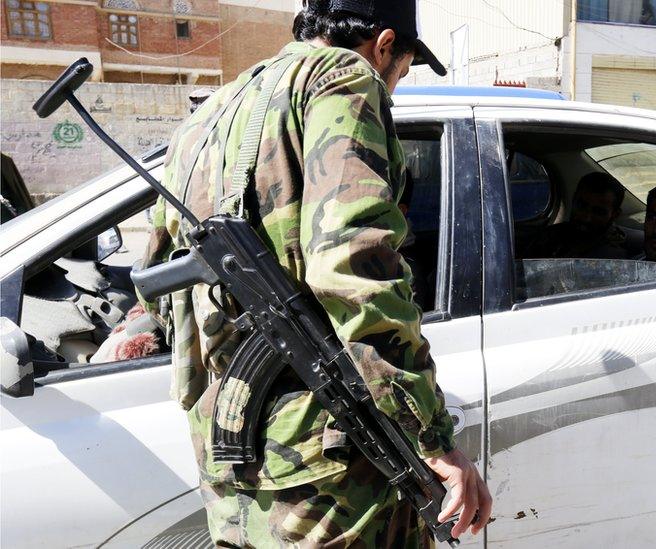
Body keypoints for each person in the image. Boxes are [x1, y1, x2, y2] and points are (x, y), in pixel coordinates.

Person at [142, 1, 491, 546]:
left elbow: (160, 273)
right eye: (401, 70)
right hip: (322, 460)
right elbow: (356, 266)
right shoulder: (344, 80)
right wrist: (432, 436)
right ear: (384, 43)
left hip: (228, 448)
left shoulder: (214, 108)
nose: (393, 87)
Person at [526, 172, 628, 259]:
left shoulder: (612, 257)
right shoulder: (548, 236)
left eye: (598, 212)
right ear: (574, 199)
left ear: (615, 215)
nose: (586, 217)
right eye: (581, 206)